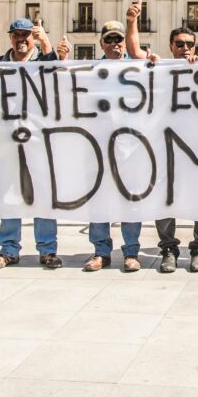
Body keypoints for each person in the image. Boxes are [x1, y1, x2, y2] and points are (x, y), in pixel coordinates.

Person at [124, 0, 198, 273]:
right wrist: (131, 21)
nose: (185, 48)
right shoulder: (158, 65)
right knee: (164, 199)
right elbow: (134, 51)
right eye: (179, 44)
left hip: (197, 148)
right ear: (171, 46)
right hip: (163, 148)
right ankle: (168, 249)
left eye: (189, 44)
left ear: (195, 47)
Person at [0, 17, 70, 270]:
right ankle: (9, 249)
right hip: (8, 141)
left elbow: (57, 76)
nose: (22, 40)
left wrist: (46, 43)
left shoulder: (42, 61)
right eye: (17, 35)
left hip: (40, 141)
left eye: (26, 35)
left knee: (44, 195)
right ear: (10, 37)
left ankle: (47, 250)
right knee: (9, 196)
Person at [84, 20, 144, 273]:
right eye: (109, 40)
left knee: (131, 200)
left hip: (130, 147)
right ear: (101, 43)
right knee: (98, 199)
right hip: (97, 146)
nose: (114, 44)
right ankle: (101, 251)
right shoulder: (89, 70)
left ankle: (131, 252)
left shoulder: (139, 69)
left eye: (118, 40)